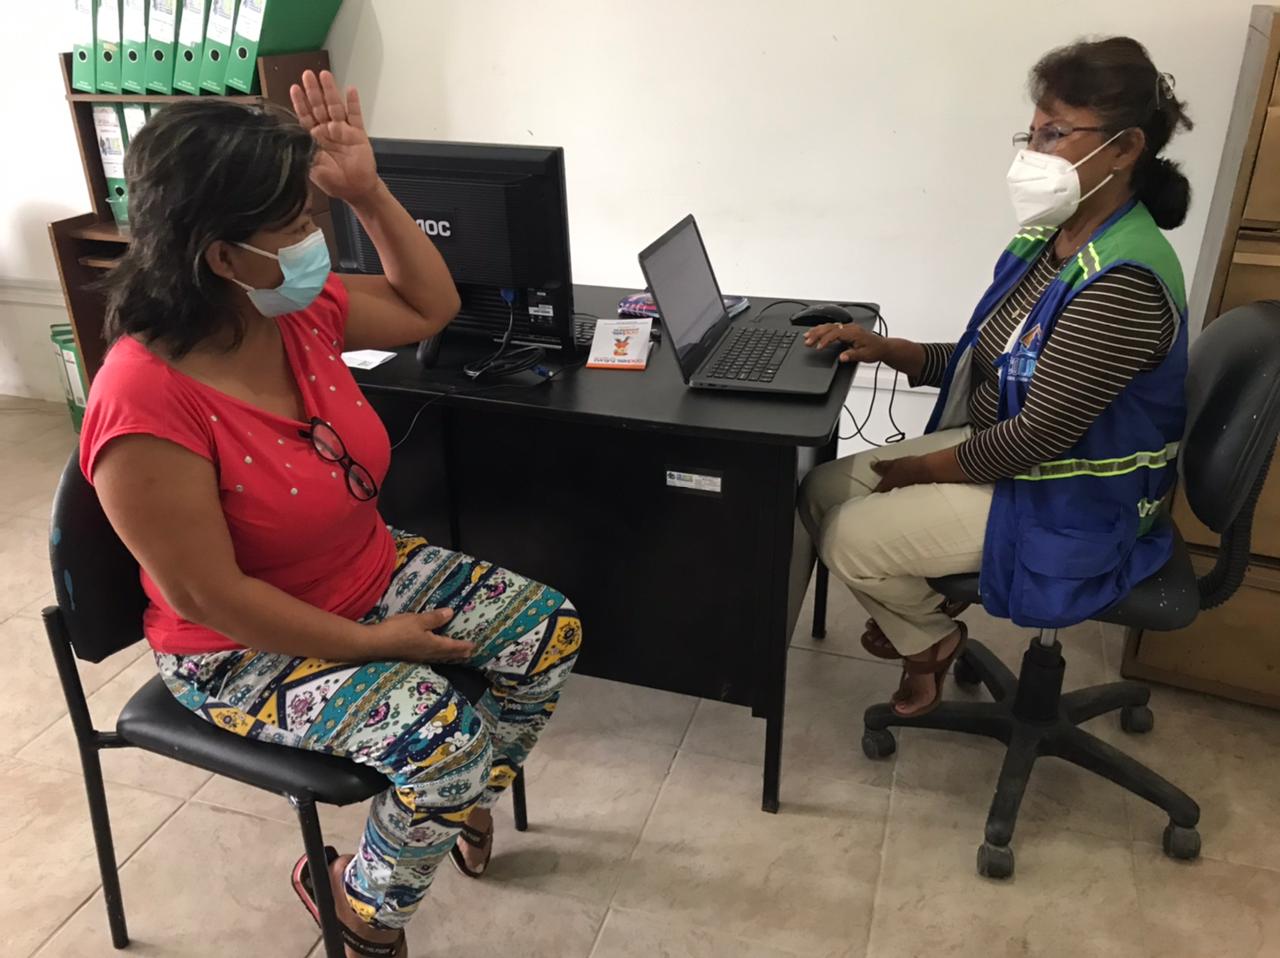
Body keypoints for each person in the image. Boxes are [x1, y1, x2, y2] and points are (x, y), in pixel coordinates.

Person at [82, 71, 582, 957]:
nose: (316, 241)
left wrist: (368, 192)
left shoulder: (288, 309)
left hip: (365, 570)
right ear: (221, 256)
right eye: (297, 225)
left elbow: (431, 308)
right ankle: (358, 908)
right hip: (239, 647)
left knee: (548, 632)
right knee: (448, 749)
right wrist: (370, 644)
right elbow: (208, 596)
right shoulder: (144, 404)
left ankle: (442, 814)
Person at [799, 37, 1193, 719]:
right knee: (819, 490)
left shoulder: (1120, 281)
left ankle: (927, 639)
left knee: (849, 538)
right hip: (1012, 458)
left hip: (1073, 495)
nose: (1034, 154)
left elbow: (1037, 436)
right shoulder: (1053, 240)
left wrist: (920, 471)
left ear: (1125, 148)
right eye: (1032, 133)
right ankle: (924, 614)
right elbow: (993, 359)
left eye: (1056, 134)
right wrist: (888, 349)